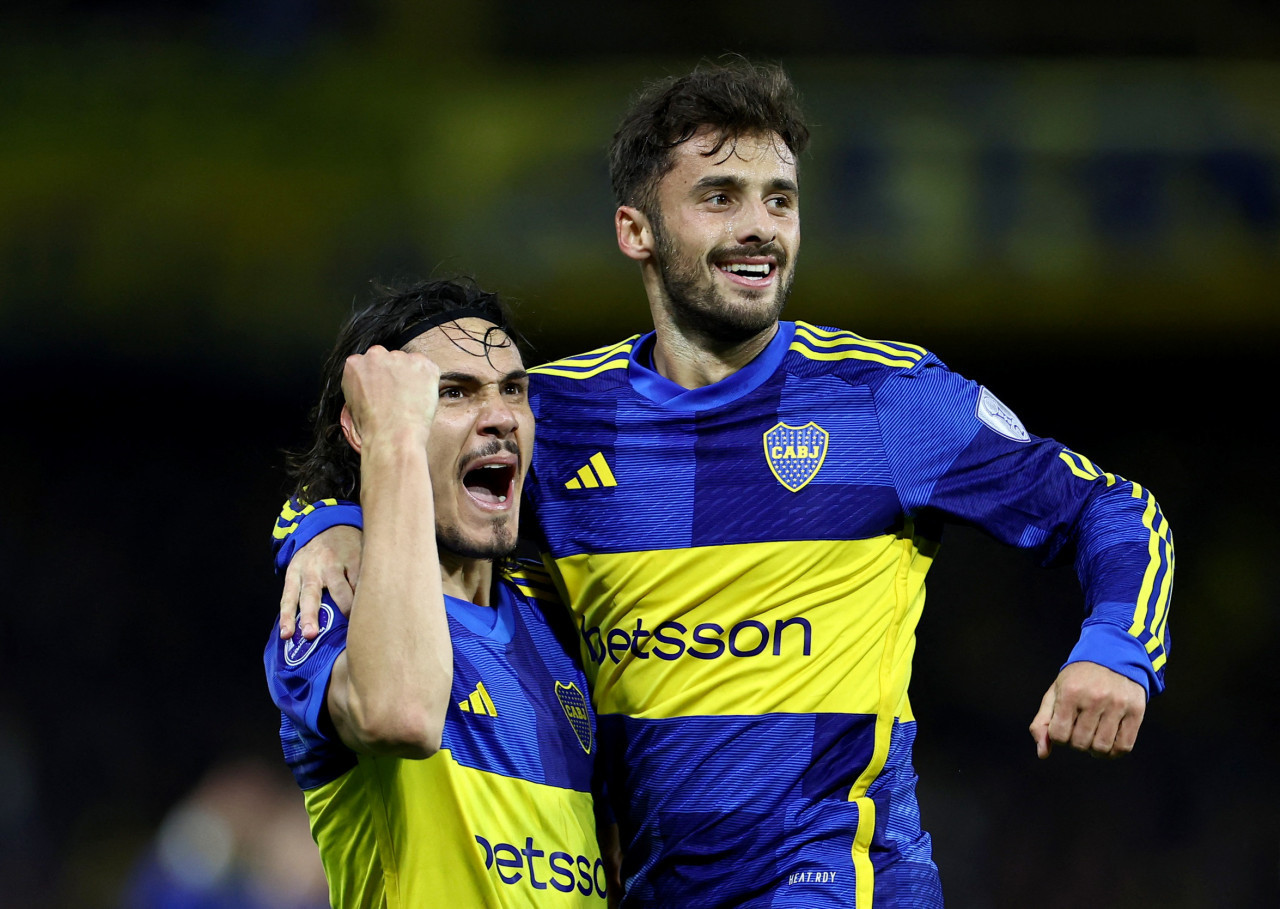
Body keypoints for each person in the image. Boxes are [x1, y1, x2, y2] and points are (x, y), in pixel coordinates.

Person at [274, 62, 1173, 907]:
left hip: (842, 883)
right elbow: (414, 459)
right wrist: (329, 522)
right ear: (637, 230)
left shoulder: (887, 399)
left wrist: (1115, 647)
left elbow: (1109, 506)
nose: (759, 227)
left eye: (778, 200)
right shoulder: (553, 416)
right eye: (719, 197)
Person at [264, 279, 609, 907]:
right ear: (369, 427)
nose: (500, 416)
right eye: (452, 393)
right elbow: (398, 716)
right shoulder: (331, 603)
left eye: (513, 390)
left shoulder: (561, 618)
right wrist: (388, 441)